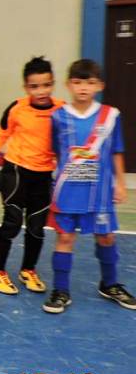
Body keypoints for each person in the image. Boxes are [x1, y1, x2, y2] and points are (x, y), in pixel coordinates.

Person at [43, 59, 134, 313]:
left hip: (100, 191)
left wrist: (120, 184)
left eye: (90, 82)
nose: (83, 87)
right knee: (65, 237)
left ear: (100, 86)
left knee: (106, 236)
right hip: (67, 191)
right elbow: (56, 152)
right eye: (78, 82)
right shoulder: (58, 117)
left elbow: (116, 151)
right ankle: (61, 290)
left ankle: (110, 283)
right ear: (69, 85)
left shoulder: (111, 115)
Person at [0, 57, 64, 295]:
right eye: (35, 86)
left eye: (46, 85)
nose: (41, 91)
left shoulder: (61, 110)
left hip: (43, 174)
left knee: (37, 227)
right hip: (16, 171)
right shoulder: (17, 108)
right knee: (12, 222)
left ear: (53, 83)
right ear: (26, 87)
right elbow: (0, 136)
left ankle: (28, 269)